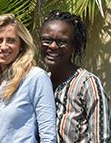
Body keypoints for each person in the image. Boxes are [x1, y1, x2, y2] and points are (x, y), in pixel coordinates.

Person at [0, 13, 56, 142]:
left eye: (11, 40)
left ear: (21, 46)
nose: (3, 46)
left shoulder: (35, 77)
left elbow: (48, 136)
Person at [40, 10, 110, 142]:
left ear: (74, 46)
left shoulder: (88, 84)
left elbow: (101, 138)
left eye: (62, 42)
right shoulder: (40, 82)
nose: (53, 46)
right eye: (47, 40)